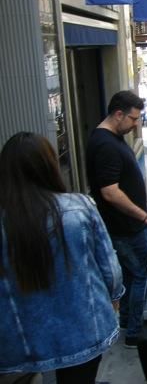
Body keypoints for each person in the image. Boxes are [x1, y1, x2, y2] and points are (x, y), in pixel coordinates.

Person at [0, 132, 124, 383]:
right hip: (83, 331)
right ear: (49, 166)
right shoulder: (80, 207)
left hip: (18, 341)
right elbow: (109, 266)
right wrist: (115, 297)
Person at [86, 90, 147, 348]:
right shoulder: (104, 145)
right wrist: (145, 217)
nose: (137, 124)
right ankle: (135, 332)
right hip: (127, 228)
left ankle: (126, 323)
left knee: (132, 275)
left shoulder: (110, 138)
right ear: (118, 114)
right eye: (133, 119)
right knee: (141, 275)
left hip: (127, 227)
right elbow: (110, 192)